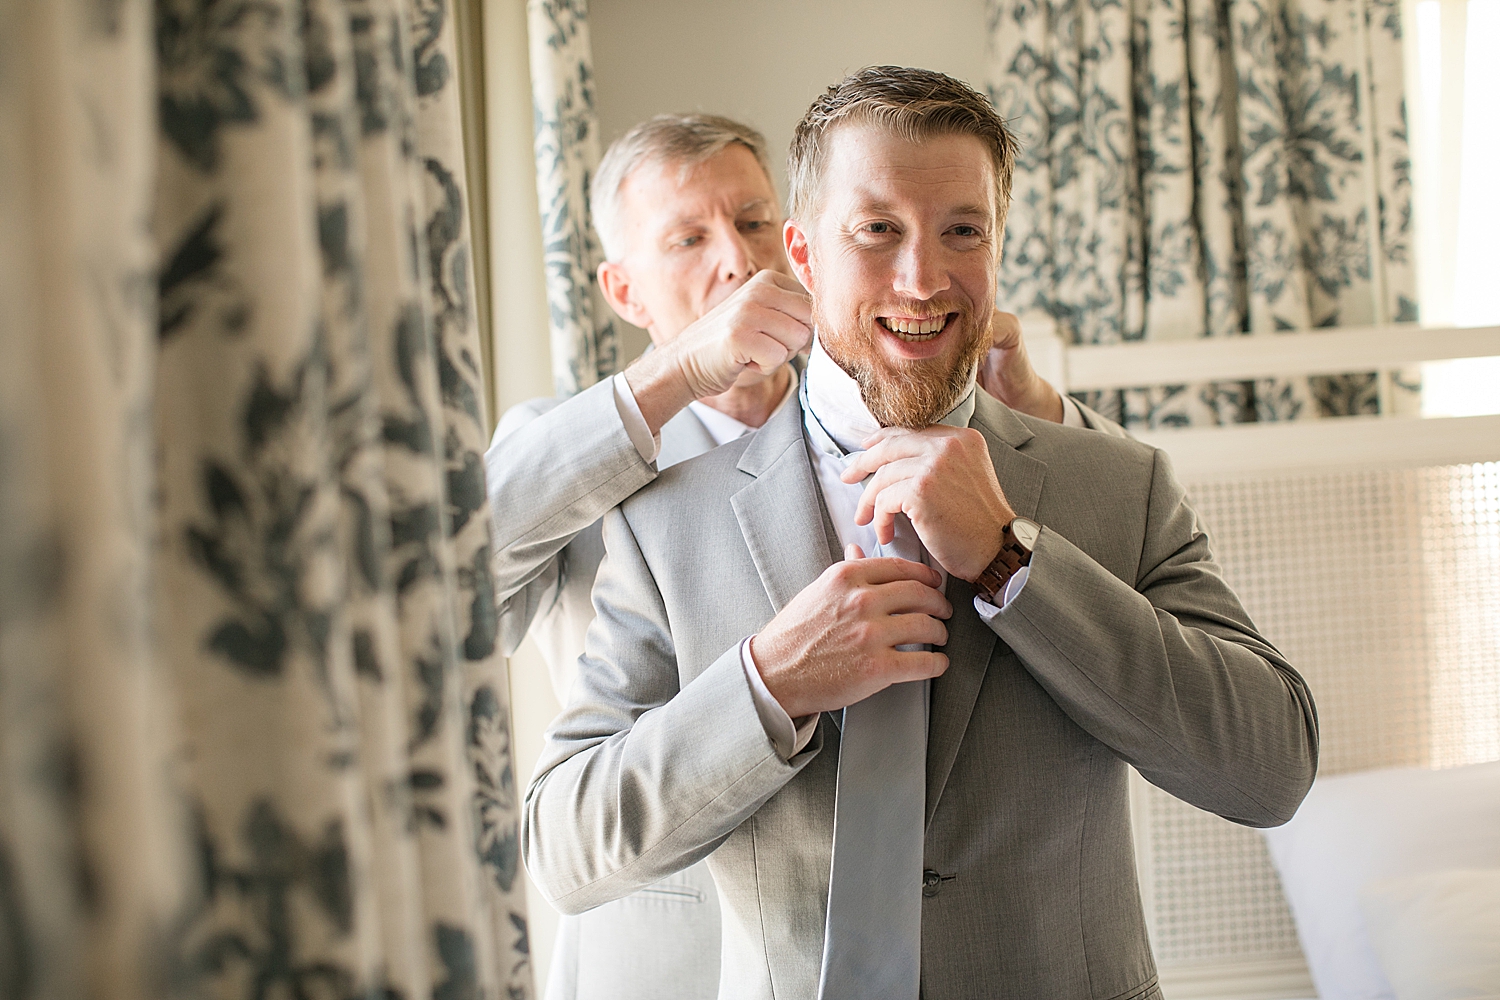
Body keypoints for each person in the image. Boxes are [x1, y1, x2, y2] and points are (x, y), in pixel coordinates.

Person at [520, 70, 1319, 1000]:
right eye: (878, 230)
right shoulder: (662, 520)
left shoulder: (1117, 483)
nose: (924, 279)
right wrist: (767, 683)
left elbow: (1271, 772)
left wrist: (1013, 561)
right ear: (803, 255)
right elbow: (566, 851)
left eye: (963, 231)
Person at [487, 114, 1106, 999]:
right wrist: (678, 374)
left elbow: (1110, 543)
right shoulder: (564, 452)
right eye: (687, 238)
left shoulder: (893, 403)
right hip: (664, 950)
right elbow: (431, 598)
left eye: (749, 222)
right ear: (623, 290)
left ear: (796, 243)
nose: (734, 260)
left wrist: (1035, 417)